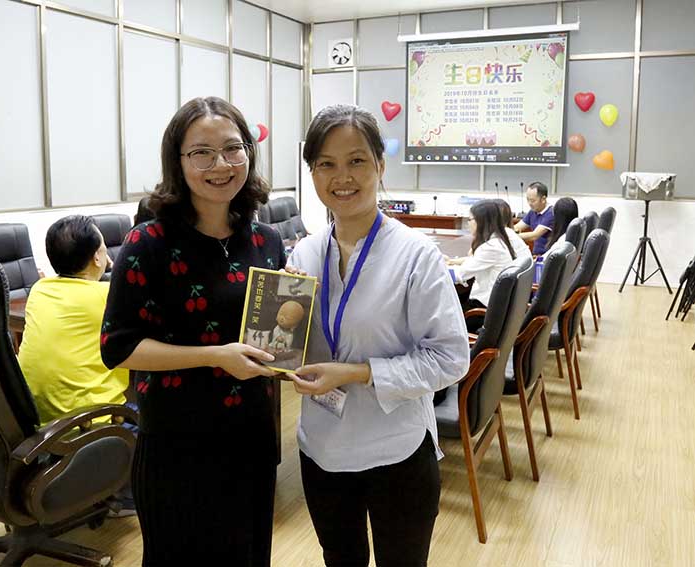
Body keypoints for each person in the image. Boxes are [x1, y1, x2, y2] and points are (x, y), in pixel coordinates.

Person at [100, 96, 285, 566]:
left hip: (252, 434)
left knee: (248, 556)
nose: (220, 165)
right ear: (178, 162)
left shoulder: (266, 241)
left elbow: (272, 336)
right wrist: (214, 355)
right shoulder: (149, 243)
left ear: (249, 153)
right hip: (177, 441)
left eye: (233, 148)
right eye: (202, 152)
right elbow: (118, 348)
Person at [285, 104, 470, 567]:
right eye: (326, 163)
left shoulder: (416, 256)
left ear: (380, 166)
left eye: (356, 161)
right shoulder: (304, 255)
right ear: (312, 172)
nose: (342, 177)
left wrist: (356, 373)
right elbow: (291, 348)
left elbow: (450, 358)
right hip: (321, 448)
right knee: (339, 558)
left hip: (396, 450)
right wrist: (279, 332)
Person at [17, 214, 135, 515]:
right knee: (155, 406)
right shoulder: (107, 297)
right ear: (97, 256)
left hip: (34, 416)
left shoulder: (40, 290)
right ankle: (125, 496)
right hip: (86, 422)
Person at [448, 200, 517, 331]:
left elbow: (459, 275)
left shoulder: (491, 247)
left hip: (483, 312)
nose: (468, 224)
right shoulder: (497, 241)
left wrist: (437, 268)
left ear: (481, 221)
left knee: (441, 317)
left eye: (470, 220)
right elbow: (471, 263)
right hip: (492, 307)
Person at [514, 181, 554, 254]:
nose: (529, 203)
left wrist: (511, 236)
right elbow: (517, 227)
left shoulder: (551, 213)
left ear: (543, 199)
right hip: (536, 254)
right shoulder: (533, 211)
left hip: (546, 255)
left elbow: (534, 235)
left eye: (532, 200)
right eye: (528, 199)